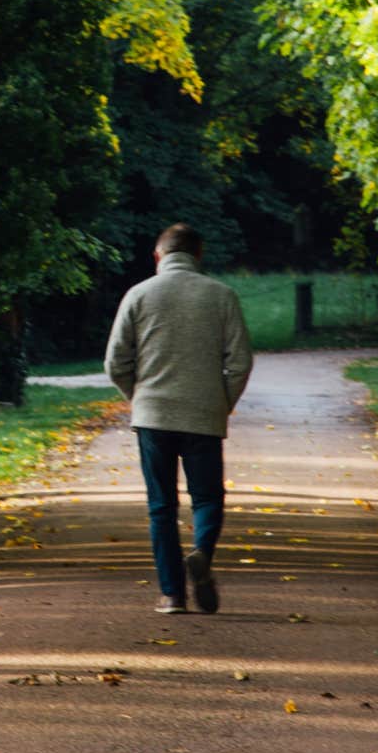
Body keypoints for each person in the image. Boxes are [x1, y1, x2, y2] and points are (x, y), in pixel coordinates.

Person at [103, 223, 254, 614]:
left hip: (153, 415)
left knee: (161, 506)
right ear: (199, 255)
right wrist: (222, 403)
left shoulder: (138, 295)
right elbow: (239, 363)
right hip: (204, 414)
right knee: (207, 497)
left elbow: (115, 362)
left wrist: (139, 398)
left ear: (158, 256)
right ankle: (201, 551)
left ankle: (171, 595)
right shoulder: (222, 296)